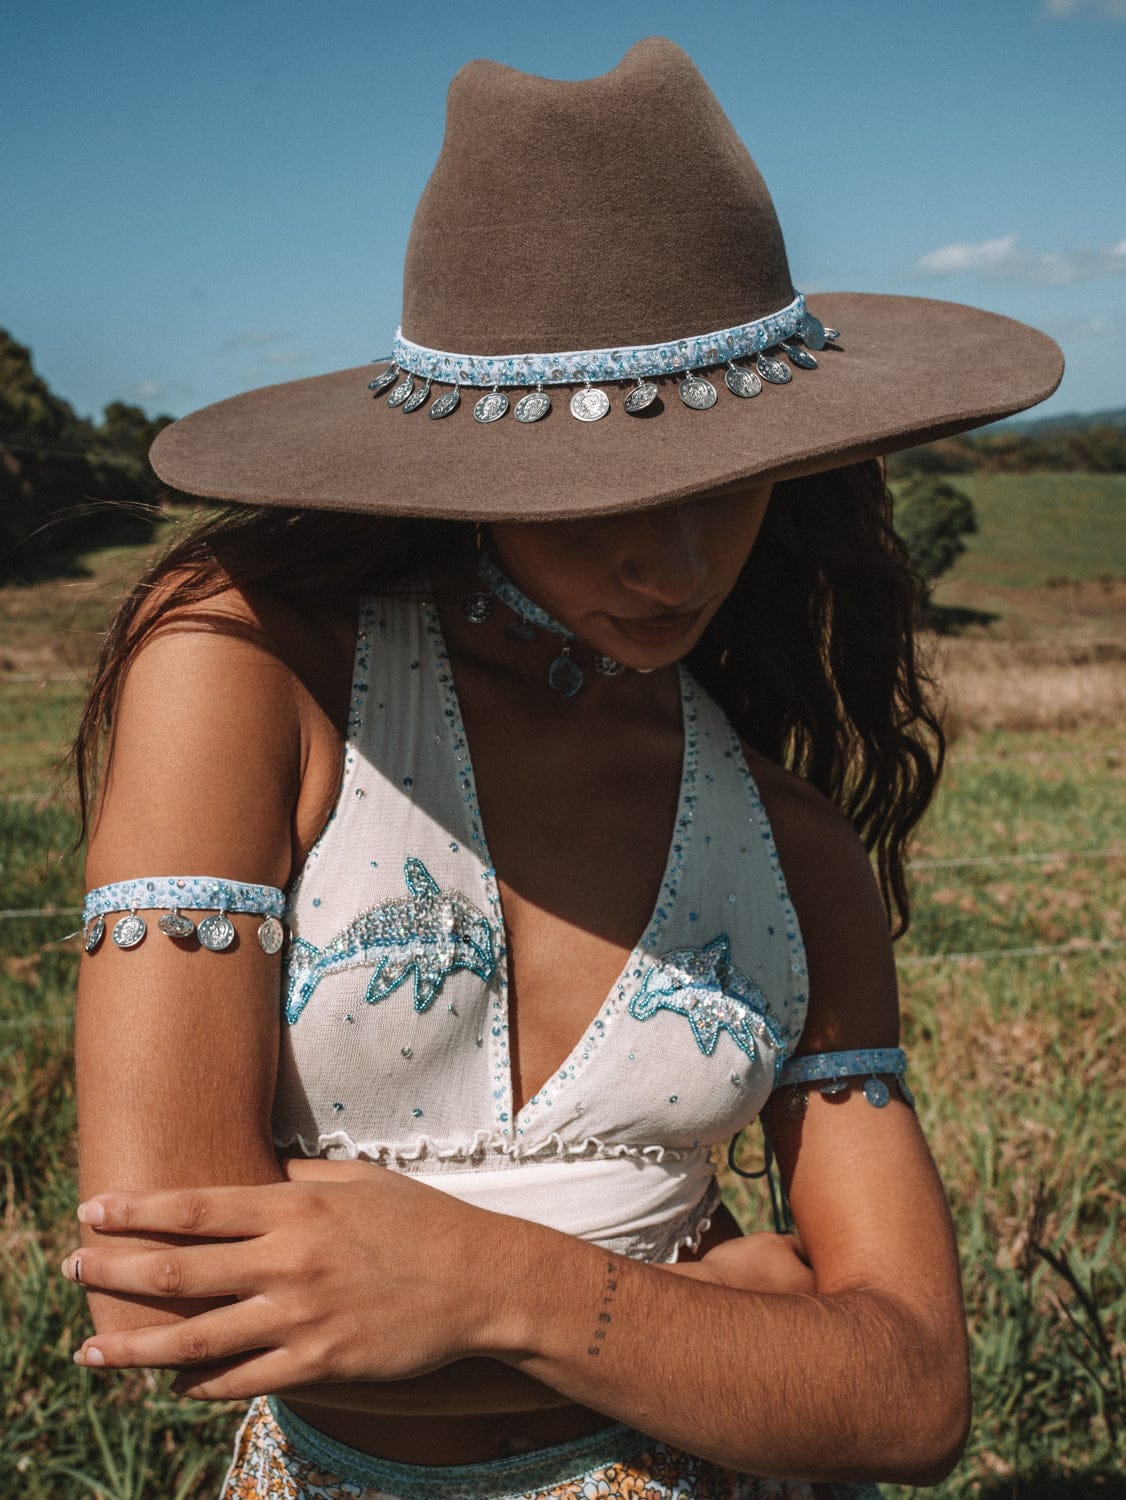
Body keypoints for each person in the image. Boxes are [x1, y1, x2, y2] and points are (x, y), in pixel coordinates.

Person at [64, 37, 1062, 1500]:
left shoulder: (792, 851)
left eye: (728, 477)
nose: (677, 561)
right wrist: (725, 1325)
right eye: (600, 492)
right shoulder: (247, 667)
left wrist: (486, 1285)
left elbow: (909, 1400)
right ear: (468, 464)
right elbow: (163, 1294)